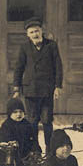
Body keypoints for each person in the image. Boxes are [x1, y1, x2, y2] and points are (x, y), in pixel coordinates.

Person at [12, 17, 63, 156]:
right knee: (32, 121)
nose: (35, 34)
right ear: (27, 35)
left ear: (42, 31)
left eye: (37, 31)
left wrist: (58, 86)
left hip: (47, 90)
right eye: (32, 32)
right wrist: (16, 87)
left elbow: (58, 67)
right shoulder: (24, 48)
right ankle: (34, 150)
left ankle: (49, 150)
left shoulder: (51, 45)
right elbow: (19, 67)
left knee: (47, 121)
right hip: (30, 90)